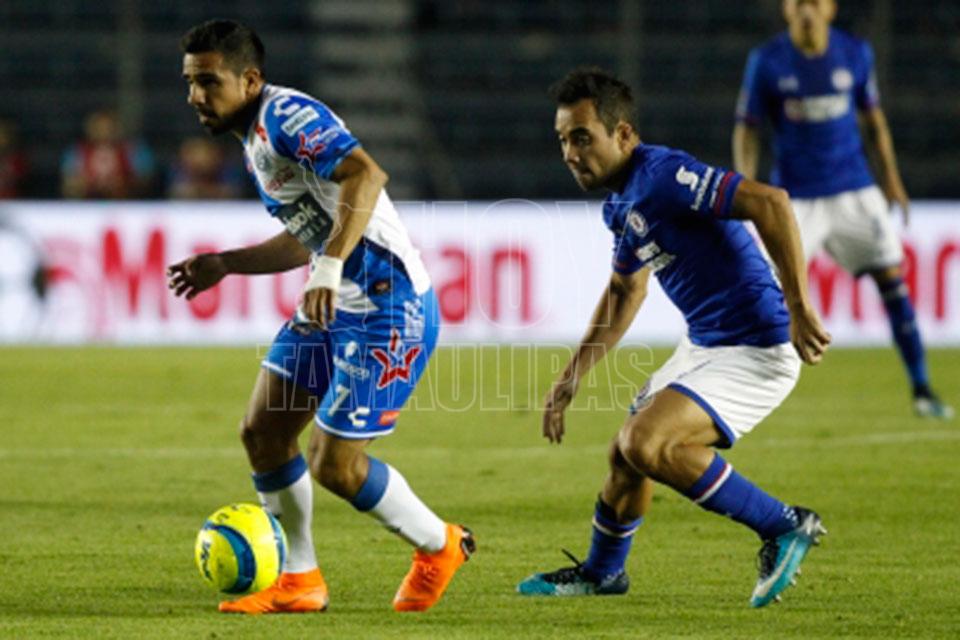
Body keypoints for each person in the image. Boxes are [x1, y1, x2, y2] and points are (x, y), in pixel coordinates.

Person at [167, 19, 474, 614]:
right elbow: (311, 232)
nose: (195, 96)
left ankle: (441, 545)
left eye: (208, 82)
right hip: (334, 306)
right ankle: (299, 581)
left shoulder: (287, 117)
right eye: (189, 82)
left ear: (249, 80)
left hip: (389, 307)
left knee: (335, 464)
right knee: (264, 431)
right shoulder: (255, 137)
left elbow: (366, 173)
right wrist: (228, 263)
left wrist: (330, 268)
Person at [516, 67, 831, 608]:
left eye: (582, 137)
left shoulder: (664, 176)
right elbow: (624, 292)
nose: (570, 153)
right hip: (706, 344)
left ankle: (783, 524)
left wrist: (799, 306)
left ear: (623, 134)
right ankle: (602, 573)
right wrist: (572, 376)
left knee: (648, 442)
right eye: (563, 140)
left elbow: (771, 203)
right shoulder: (621, 205)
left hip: (757, 347)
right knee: (625, 455)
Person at [732, 0, 952, 419]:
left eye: (814, 2)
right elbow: (747, 127)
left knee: (893, 283)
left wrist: (892, 179)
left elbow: (874, 119)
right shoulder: (768, 61)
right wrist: (746, 186)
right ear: (786, 10)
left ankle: (922, 388)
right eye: (798, 3)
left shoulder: (855, 52)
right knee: (765, 296)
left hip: (854, 190)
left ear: (830, 9)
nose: (806, 10)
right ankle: (738, 395)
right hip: (796, 198)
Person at [61, 109, 155, 199]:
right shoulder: (77, 152)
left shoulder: (134, 150)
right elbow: (68, 185)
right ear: (90, 129)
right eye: (99, 128)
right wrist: (88, 185)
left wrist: (125, 183)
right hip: (87, 205)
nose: (104, 132)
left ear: (118, 128)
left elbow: (147, 183)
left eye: (109, 127)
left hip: (126, 204)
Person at [168, 136, 244, 200]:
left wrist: (204, 191)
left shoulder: (226, 172)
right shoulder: (180, 172)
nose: (202, 162)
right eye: (195, 156)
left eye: (206, 155)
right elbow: (178, 192)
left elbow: (231, 192)